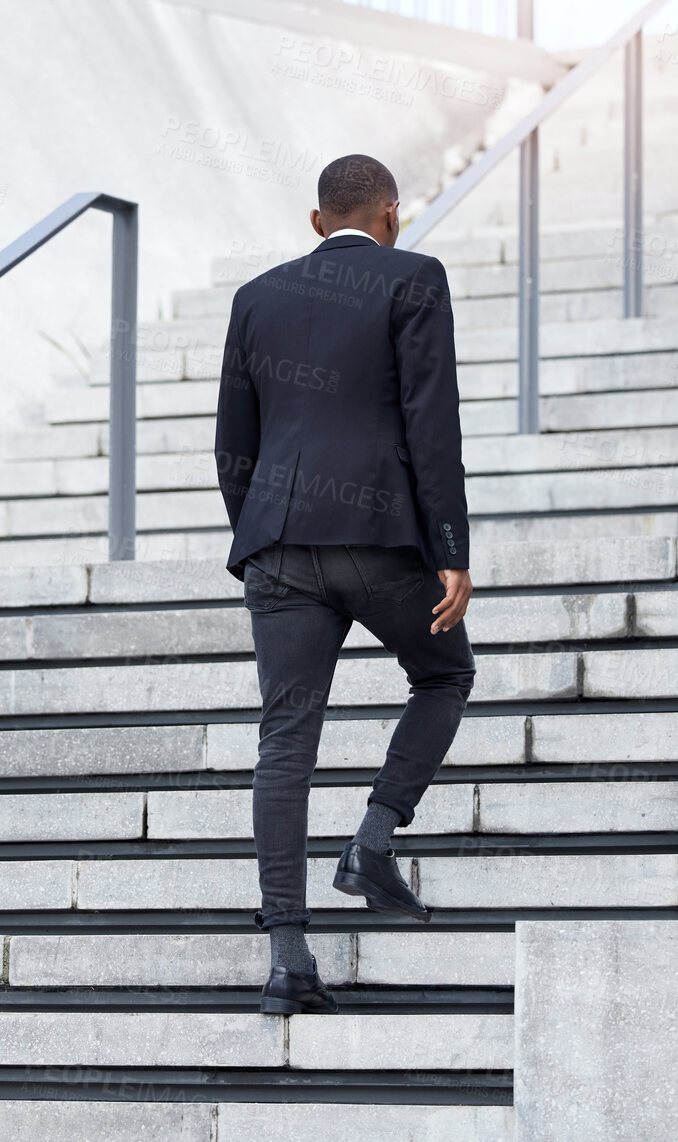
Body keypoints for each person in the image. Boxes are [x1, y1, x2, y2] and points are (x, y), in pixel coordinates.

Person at [214, 153, 476, 1015]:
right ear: (391, 213)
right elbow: (431, 421)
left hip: (279, 545)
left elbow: (233, 443)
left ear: (316, 220)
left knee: (283, 743)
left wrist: (259, 534)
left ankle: (288, 959)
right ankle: (371, 839)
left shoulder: (256, 298)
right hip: (378, 538)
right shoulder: (413, 278)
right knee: (443, 675)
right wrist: (449, 548)